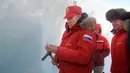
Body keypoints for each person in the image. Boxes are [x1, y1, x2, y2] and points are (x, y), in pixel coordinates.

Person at [45, 6, 96, 73]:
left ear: (78, 17)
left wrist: (58, 50)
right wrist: (57, 57)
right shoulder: (67, 32)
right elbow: (64, 47)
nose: (68, 21)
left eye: (70, 18)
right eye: (67, 19)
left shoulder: (87, 33)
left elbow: (83, 57)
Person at [106, 8, 130, 73]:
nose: (113, 23)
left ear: (124, 20)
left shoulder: (127, 35)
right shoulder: (115, 37)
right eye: (112, 21)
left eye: (116, 20)